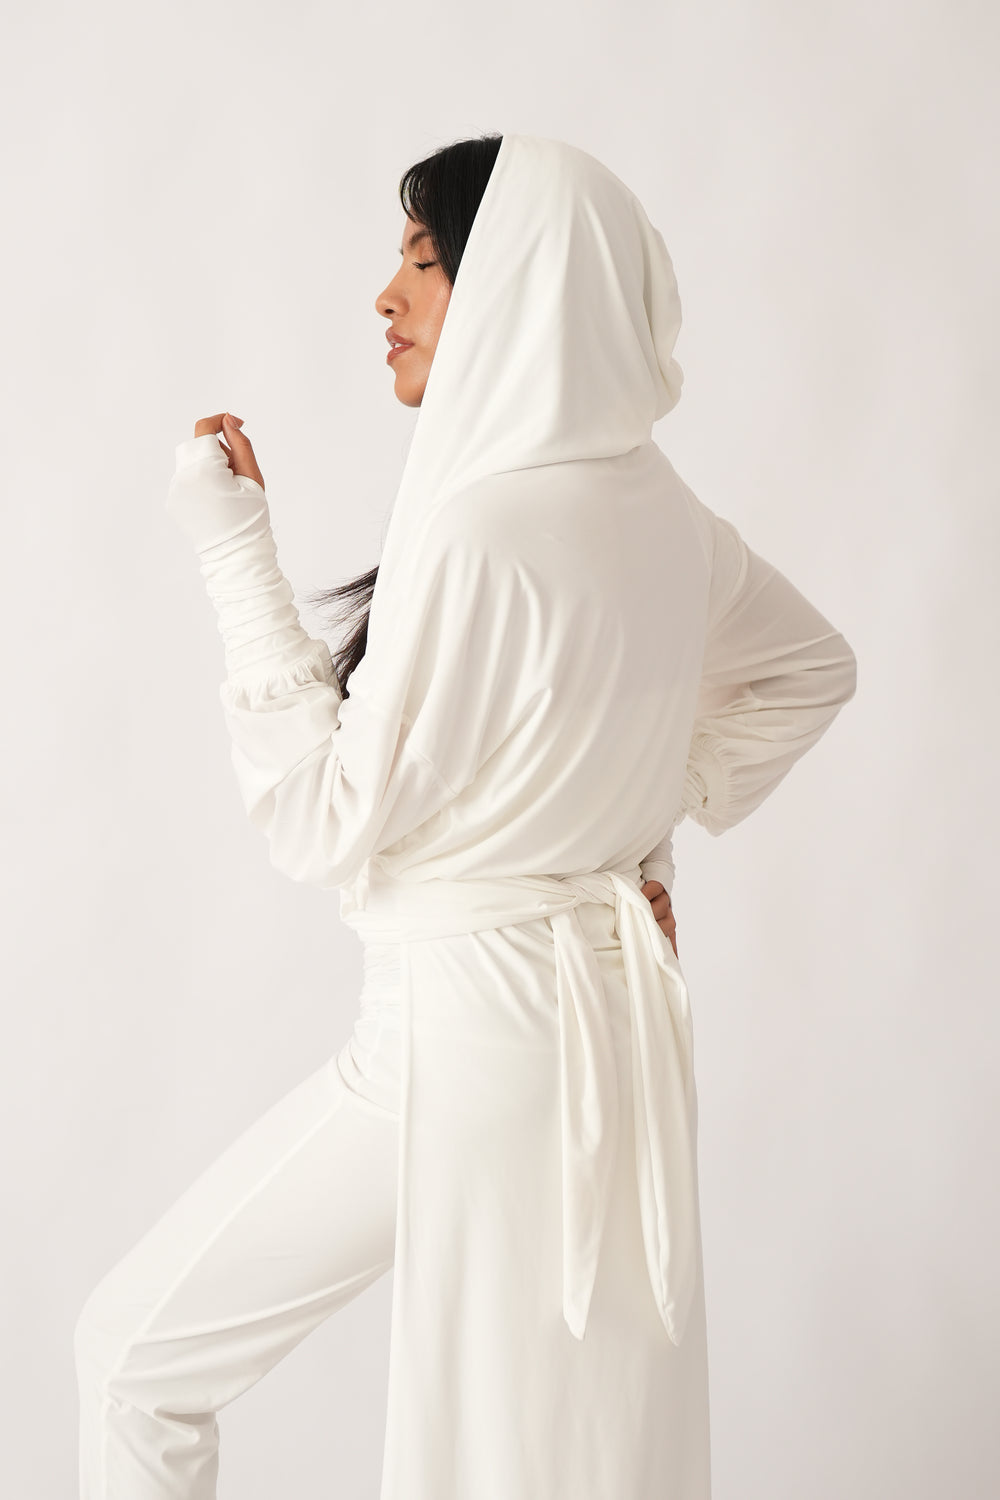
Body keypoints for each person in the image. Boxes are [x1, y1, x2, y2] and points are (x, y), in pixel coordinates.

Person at [74, 132, 857, 1500]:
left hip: (465, 1038)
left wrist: (234, 550)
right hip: (607, 1040)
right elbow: (812, 668)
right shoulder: (660, 512)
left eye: (426, 260)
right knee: (565, 1451)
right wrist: (638, 835)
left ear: (520, 283)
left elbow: (321, 819)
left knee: (135, 1356)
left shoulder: (483, 529)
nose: (387, 294)